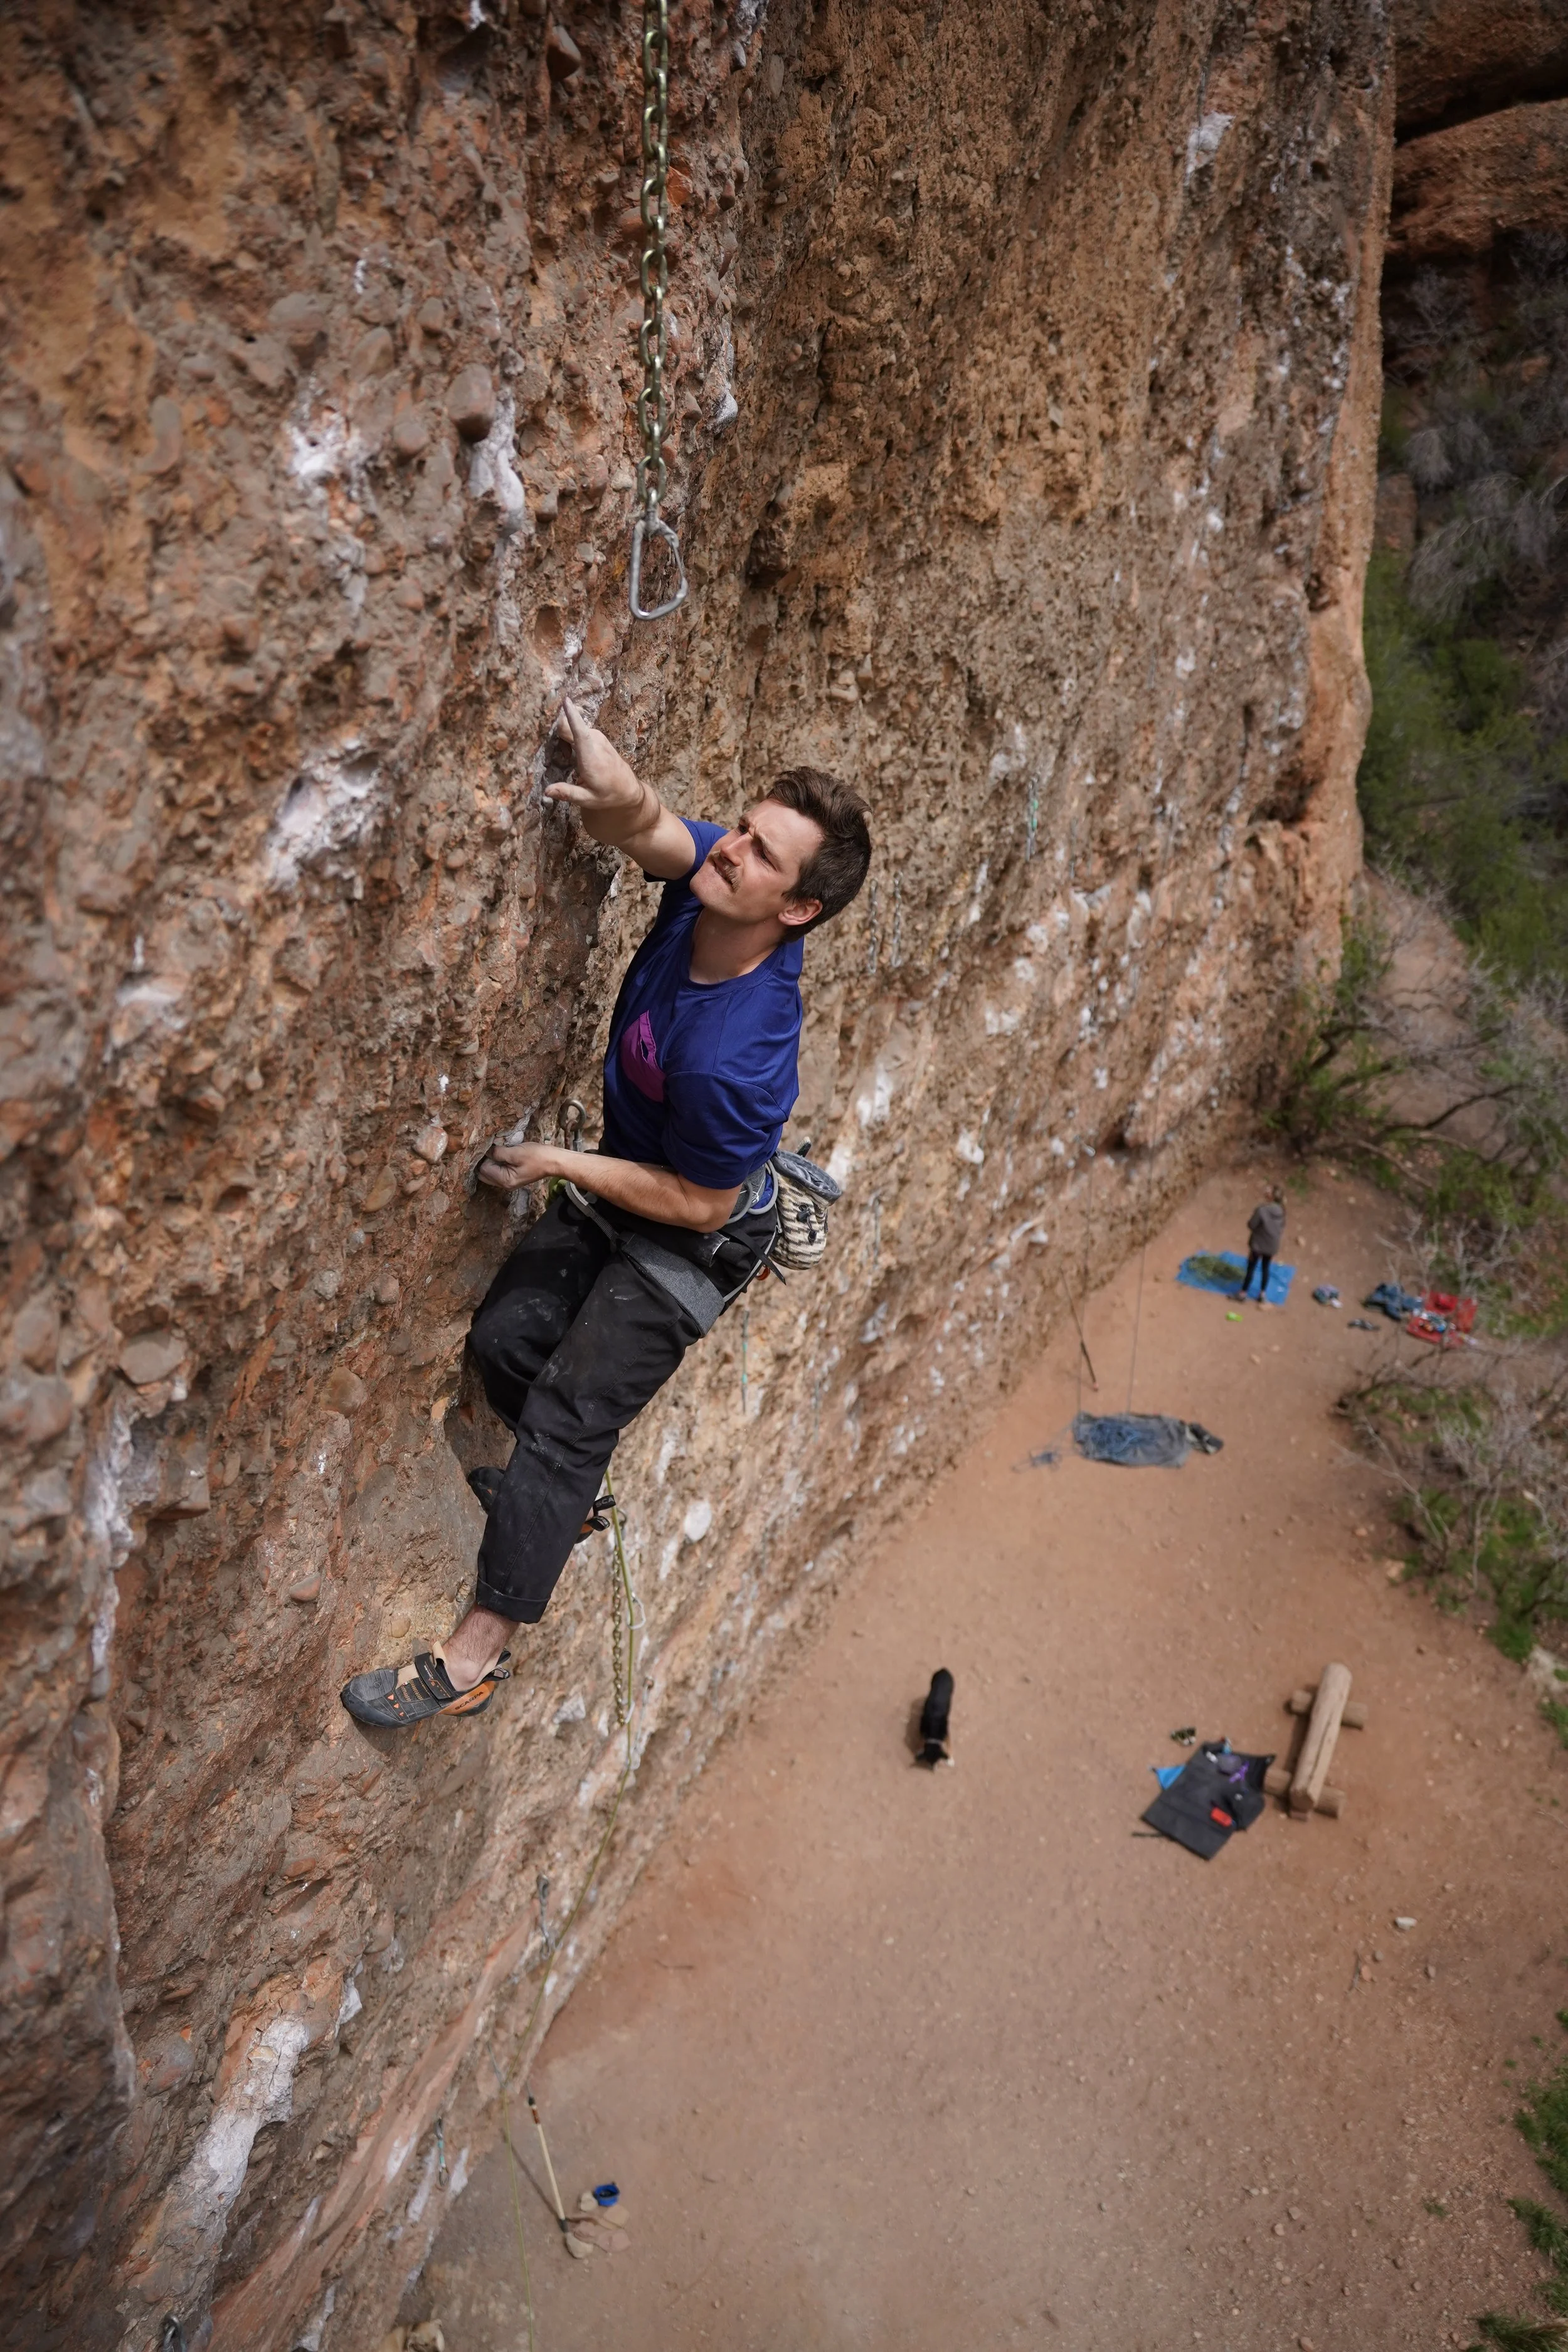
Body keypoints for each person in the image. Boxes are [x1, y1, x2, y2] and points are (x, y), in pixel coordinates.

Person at [341, 702, 872, 1729]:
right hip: (644, 1168)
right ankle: (562, 1504)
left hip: (696, 1230)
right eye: (746, 829)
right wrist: (602, 768)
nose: (734, 854)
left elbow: (697, 1199)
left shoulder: (732, 1054)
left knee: (565, 1420)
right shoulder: (724, 885)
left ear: (795, 910)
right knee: (505, 1342)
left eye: (762, 856)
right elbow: (655, 827)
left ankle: (469, 1663)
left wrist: (559, 1163)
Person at [1237, 1183, 1286, 1307]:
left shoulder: (1262, 1210)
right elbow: (1281, 1227)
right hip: (1271, 1245)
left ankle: (1243, 1294)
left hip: (1258, 1245)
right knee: (1266, 1268)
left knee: (1251, 1267)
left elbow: (1252, 1225)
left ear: (1271, 1196)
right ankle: (1262, 1294)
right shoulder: (1282, 1211)